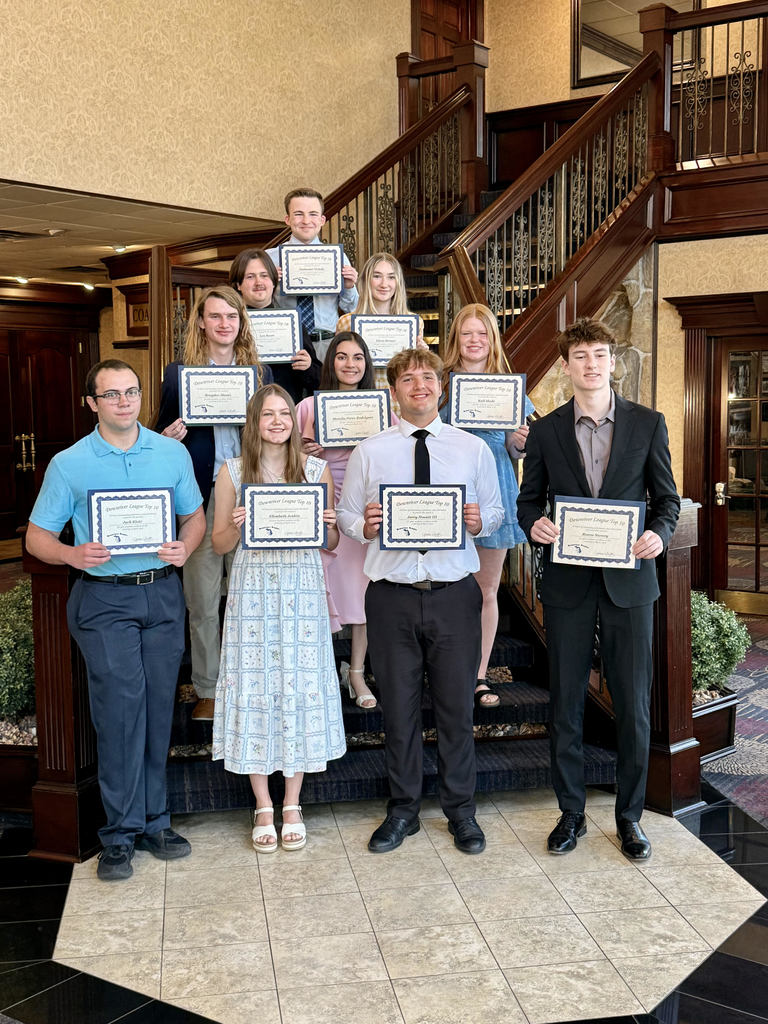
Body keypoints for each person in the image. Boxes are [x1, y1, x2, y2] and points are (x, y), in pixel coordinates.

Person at [26, 359, 206, 881]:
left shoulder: (170, 453)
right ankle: (120, 834)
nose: (124, 402)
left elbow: (193, 516)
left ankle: (155, 821)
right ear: (92, 403)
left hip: (162, 595)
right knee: (120, 712)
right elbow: (38, 536)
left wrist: (184, 548)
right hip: (104, 601)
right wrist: (71, 555)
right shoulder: (70, 463)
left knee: (154, 710)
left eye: (131, 392)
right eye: (112, 395)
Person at [517, 318, 680, 861]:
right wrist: (534, 526)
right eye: (580, 355)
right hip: (567, 585)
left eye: (600, 354)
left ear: (613, 362)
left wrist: (658, 535)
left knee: (633, 705)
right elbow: (528, 501)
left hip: (630, 585)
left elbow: (667, 503)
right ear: (566, 366)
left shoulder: (649, 424)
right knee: (565, 702)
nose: (591, 363)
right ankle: (571, 813)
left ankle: (630, 818)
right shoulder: (546, 431)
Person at [337, 348, 503, 855]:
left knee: (456, 708)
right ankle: (403, 810)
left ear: (441, 387)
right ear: (393, 392)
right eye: (407, 379)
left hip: (454, 595)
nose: (419, 386)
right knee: (400, 712)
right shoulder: (371, 450)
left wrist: (479, 523)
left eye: (427, 377)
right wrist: (361, 526)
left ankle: (462, 813)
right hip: (391, 597)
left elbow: (495, 513)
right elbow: (345, 517)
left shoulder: (473, 449)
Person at [211, 384, 346, 853]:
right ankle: (262, 802)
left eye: (283, 413)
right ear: (254, 421)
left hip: (302, 591)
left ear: (294, 420)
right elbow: (219, 545)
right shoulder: (232, 473)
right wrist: (237, 523)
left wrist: (330, 526)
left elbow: (330, 546)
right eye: (267, 414)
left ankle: (293, 801)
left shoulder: (316, 469)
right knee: (256, 684)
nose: (276, 421)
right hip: (252, 593)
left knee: (297, 683)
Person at [155, 285, 272, 721]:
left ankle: (252, 683)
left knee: (250, 595)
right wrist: (166, 439)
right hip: (199, 496)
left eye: (232, 316)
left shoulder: (259, 374)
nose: (224, 324)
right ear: (201, 322)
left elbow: (277, 430)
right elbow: (156, 434)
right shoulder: (177, 374)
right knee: (203, 598)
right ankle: (207, 687)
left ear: (241, 323)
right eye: (215, 316)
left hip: (249, 491)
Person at [440, 303, 535, 709]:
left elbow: (516, 448)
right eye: (467, 333)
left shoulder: (509, 387)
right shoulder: (441, 381)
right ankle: (446, 669)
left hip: (494, 489)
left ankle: (478, 675)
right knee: (444, 588)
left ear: (492, 340)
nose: (475, 340)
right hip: (446, 494)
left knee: (486, 590)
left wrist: (520, 439)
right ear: (456, 340)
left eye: (482, 333)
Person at [297, 331, 393, 709]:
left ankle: (356, 672)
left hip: (362, 504)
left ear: (367, 363)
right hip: (321, 500)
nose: (350, 364)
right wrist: (308, 451)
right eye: (341, 356)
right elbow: (291, 460)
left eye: (357, 357)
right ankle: (320, 670)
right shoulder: (307, 407)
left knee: (361, 590)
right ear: (330, 362)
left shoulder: (383, 406)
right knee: (319, 589)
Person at [267, 187, 358, 362]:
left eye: (313, 214)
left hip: (327, 345)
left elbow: (352, 309)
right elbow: (256, 307)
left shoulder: (337, 258)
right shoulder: (269, 260)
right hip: (285, 344)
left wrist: (349, 287)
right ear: (288, 219)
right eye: (299, 214)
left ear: (322, 220)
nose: (306, 220)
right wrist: (267, 286)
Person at [228, 247, 321, 402]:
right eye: (250, 277)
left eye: (264, 275)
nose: (258, 282)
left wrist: (308, 367)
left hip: (285, 411)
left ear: (273, 281)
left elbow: (318, 380)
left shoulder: (292, 323)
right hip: (242, 410)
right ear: (238, 285)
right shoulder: (229, 324)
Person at [336, 251, 425, 393]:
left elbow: (416, 372)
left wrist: (422, 356)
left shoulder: (414, 323)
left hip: (400, 398)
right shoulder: (346, 323)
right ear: (366, 280)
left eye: (391, 277)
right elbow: (339, 369)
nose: (384, 284)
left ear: (398, 283)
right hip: (362, 397)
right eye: (377, 276)